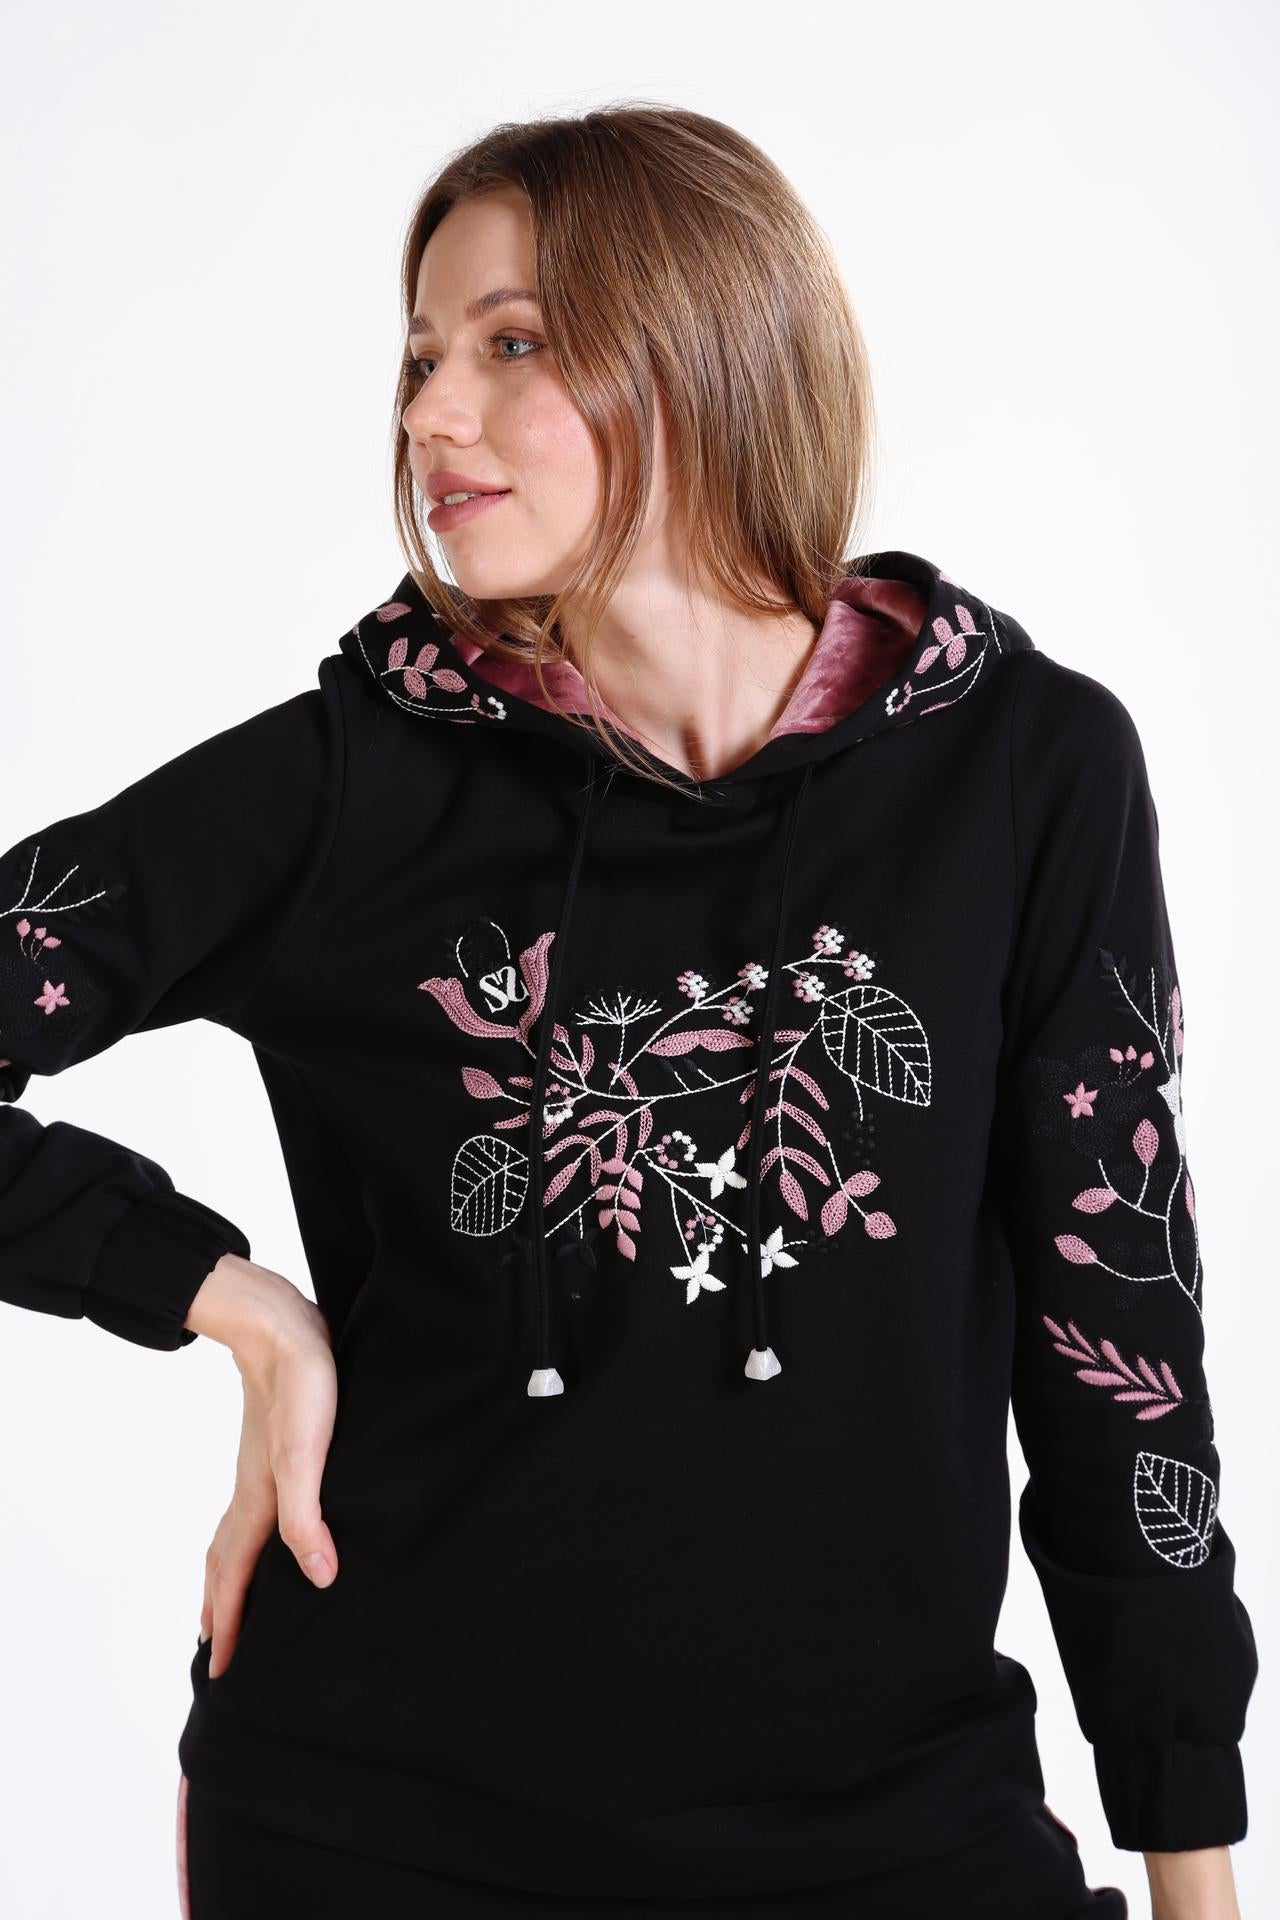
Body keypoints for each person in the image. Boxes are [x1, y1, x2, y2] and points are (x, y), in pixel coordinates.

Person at [1, 104, 1257, 1920]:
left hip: (896, 1835)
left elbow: (1112, 1336)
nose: (431, 415)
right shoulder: (353, 784)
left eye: (512, 345)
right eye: (422, 359)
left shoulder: (1022, 771)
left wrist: (1193, 1861)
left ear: (703, 349)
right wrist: (231, 1303)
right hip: (383, 1831)